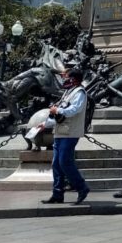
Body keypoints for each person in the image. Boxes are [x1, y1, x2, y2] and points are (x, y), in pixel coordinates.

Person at [40, 69, 90, 205]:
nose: (64, 79)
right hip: (60, 132)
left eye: (66, 77)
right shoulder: (68, 92)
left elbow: (74, 110)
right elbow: (60, 116)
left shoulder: (80, 92)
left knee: (64, 162)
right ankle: (57, 194)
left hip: (71, 132)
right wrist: (46, 124)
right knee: (56, 164)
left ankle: (82, 188)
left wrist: (58, 110)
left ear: (74, 79)